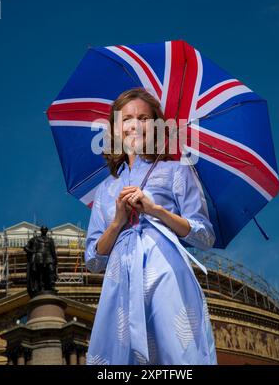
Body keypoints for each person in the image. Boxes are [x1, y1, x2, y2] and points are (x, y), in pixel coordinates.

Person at [85, 87, 217, 365]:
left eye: (144, 118)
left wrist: (155, 210)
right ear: (116, 130)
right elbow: (93, 260)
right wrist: (118, 222)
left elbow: (204, 236)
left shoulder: (178, 171)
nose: (136, 124)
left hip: (165, 274)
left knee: (175, 357)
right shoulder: (105, 190)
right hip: (119, 281)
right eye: (128, 118)